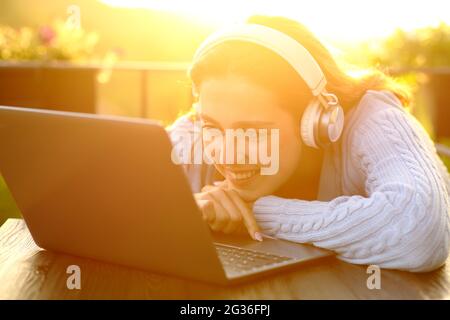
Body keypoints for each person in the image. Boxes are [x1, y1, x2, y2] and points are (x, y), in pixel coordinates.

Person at [168, 15, 450, 272]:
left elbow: (420, 230)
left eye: (253, 132)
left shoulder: (374, 119)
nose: (229, 154)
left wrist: (257, 212)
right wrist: (186, 210)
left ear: (314, 120)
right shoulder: (194, 131)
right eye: (212, 127)